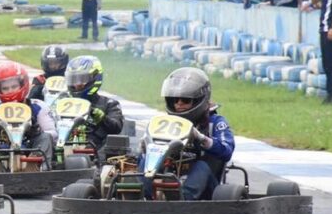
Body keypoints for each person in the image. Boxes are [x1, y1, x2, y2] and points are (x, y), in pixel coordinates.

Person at [140, 68, 235, 201]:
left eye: (185, 100)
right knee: (145, 158)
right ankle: (141, 195)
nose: (178, 103)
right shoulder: (166, 123)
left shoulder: (215, 122)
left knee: (202, 165)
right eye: (175, 99)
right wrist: (145, 147)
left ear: (200, 100)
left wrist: (201, 138)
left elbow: (227, 151)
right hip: (169, 173)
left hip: (206, 186)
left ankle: (183, 200)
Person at [0, 63, 57, 171]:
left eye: (14, 87)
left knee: (45, 138)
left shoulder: (37, 106)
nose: (10, 91)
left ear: (23, 84)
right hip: (2, 150)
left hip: (29, 149)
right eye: (5, 88)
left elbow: (53, 134)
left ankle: (36, 168)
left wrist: (35, 128)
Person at [64, 55, 124, 156]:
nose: (76, 85)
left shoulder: (109, 104)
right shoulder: (63, 102)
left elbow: (116, 127)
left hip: (95, 149)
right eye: (73, 80)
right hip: (63, 143)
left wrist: (102, 118)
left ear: (95, 78)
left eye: (81, 79)